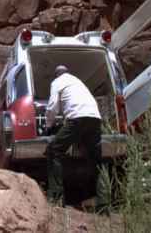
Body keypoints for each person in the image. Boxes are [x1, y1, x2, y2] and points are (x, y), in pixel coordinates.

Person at [45, 65, 108, 212]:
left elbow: (52, 107)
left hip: (77, 118)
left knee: (53, 150)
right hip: (94, 117)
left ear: (56, 75)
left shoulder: (57, 82)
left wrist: (49, 125)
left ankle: (56, 199)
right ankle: (104, 203)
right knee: (96, 159)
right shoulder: (78, 81)